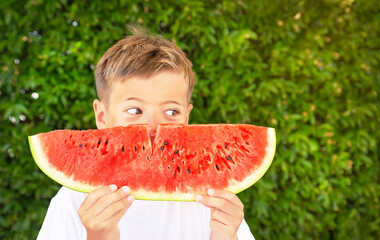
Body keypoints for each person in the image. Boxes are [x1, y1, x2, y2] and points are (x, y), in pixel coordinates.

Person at [37, 26, 255, 240]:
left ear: (186, 118)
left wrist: (226, 237)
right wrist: (98, 237)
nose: (154, 126)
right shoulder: (73, 201)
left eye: (171, 111)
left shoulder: (211, 200)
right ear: (102, 116)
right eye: (134, 110)